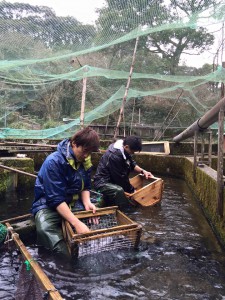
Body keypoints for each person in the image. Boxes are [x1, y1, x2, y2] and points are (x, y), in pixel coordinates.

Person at [31, 127, 100, 257]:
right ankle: (66, 259)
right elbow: (55, 199)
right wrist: (76, 222)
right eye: (84, 151)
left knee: (94, 219)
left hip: (73, 202)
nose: (86, 156)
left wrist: (87, 202)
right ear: (74, 144)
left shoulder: (85, 160)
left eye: (90, 152)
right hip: (48, 204)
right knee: (46, 231)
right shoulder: (53, 162)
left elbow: (86, 185)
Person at [93, 135, 153, 208]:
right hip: (102, 183)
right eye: (132, 151)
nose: (132, 153)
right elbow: (120, 179)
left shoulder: (124, 149)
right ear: (126, 146)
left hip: (112, 180)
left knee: (125, 186)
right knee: (119, 191)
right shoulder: (114, 156)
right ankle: (127, 211)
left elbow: (131, 163)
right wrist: (133, 191)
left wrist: (143, 171)